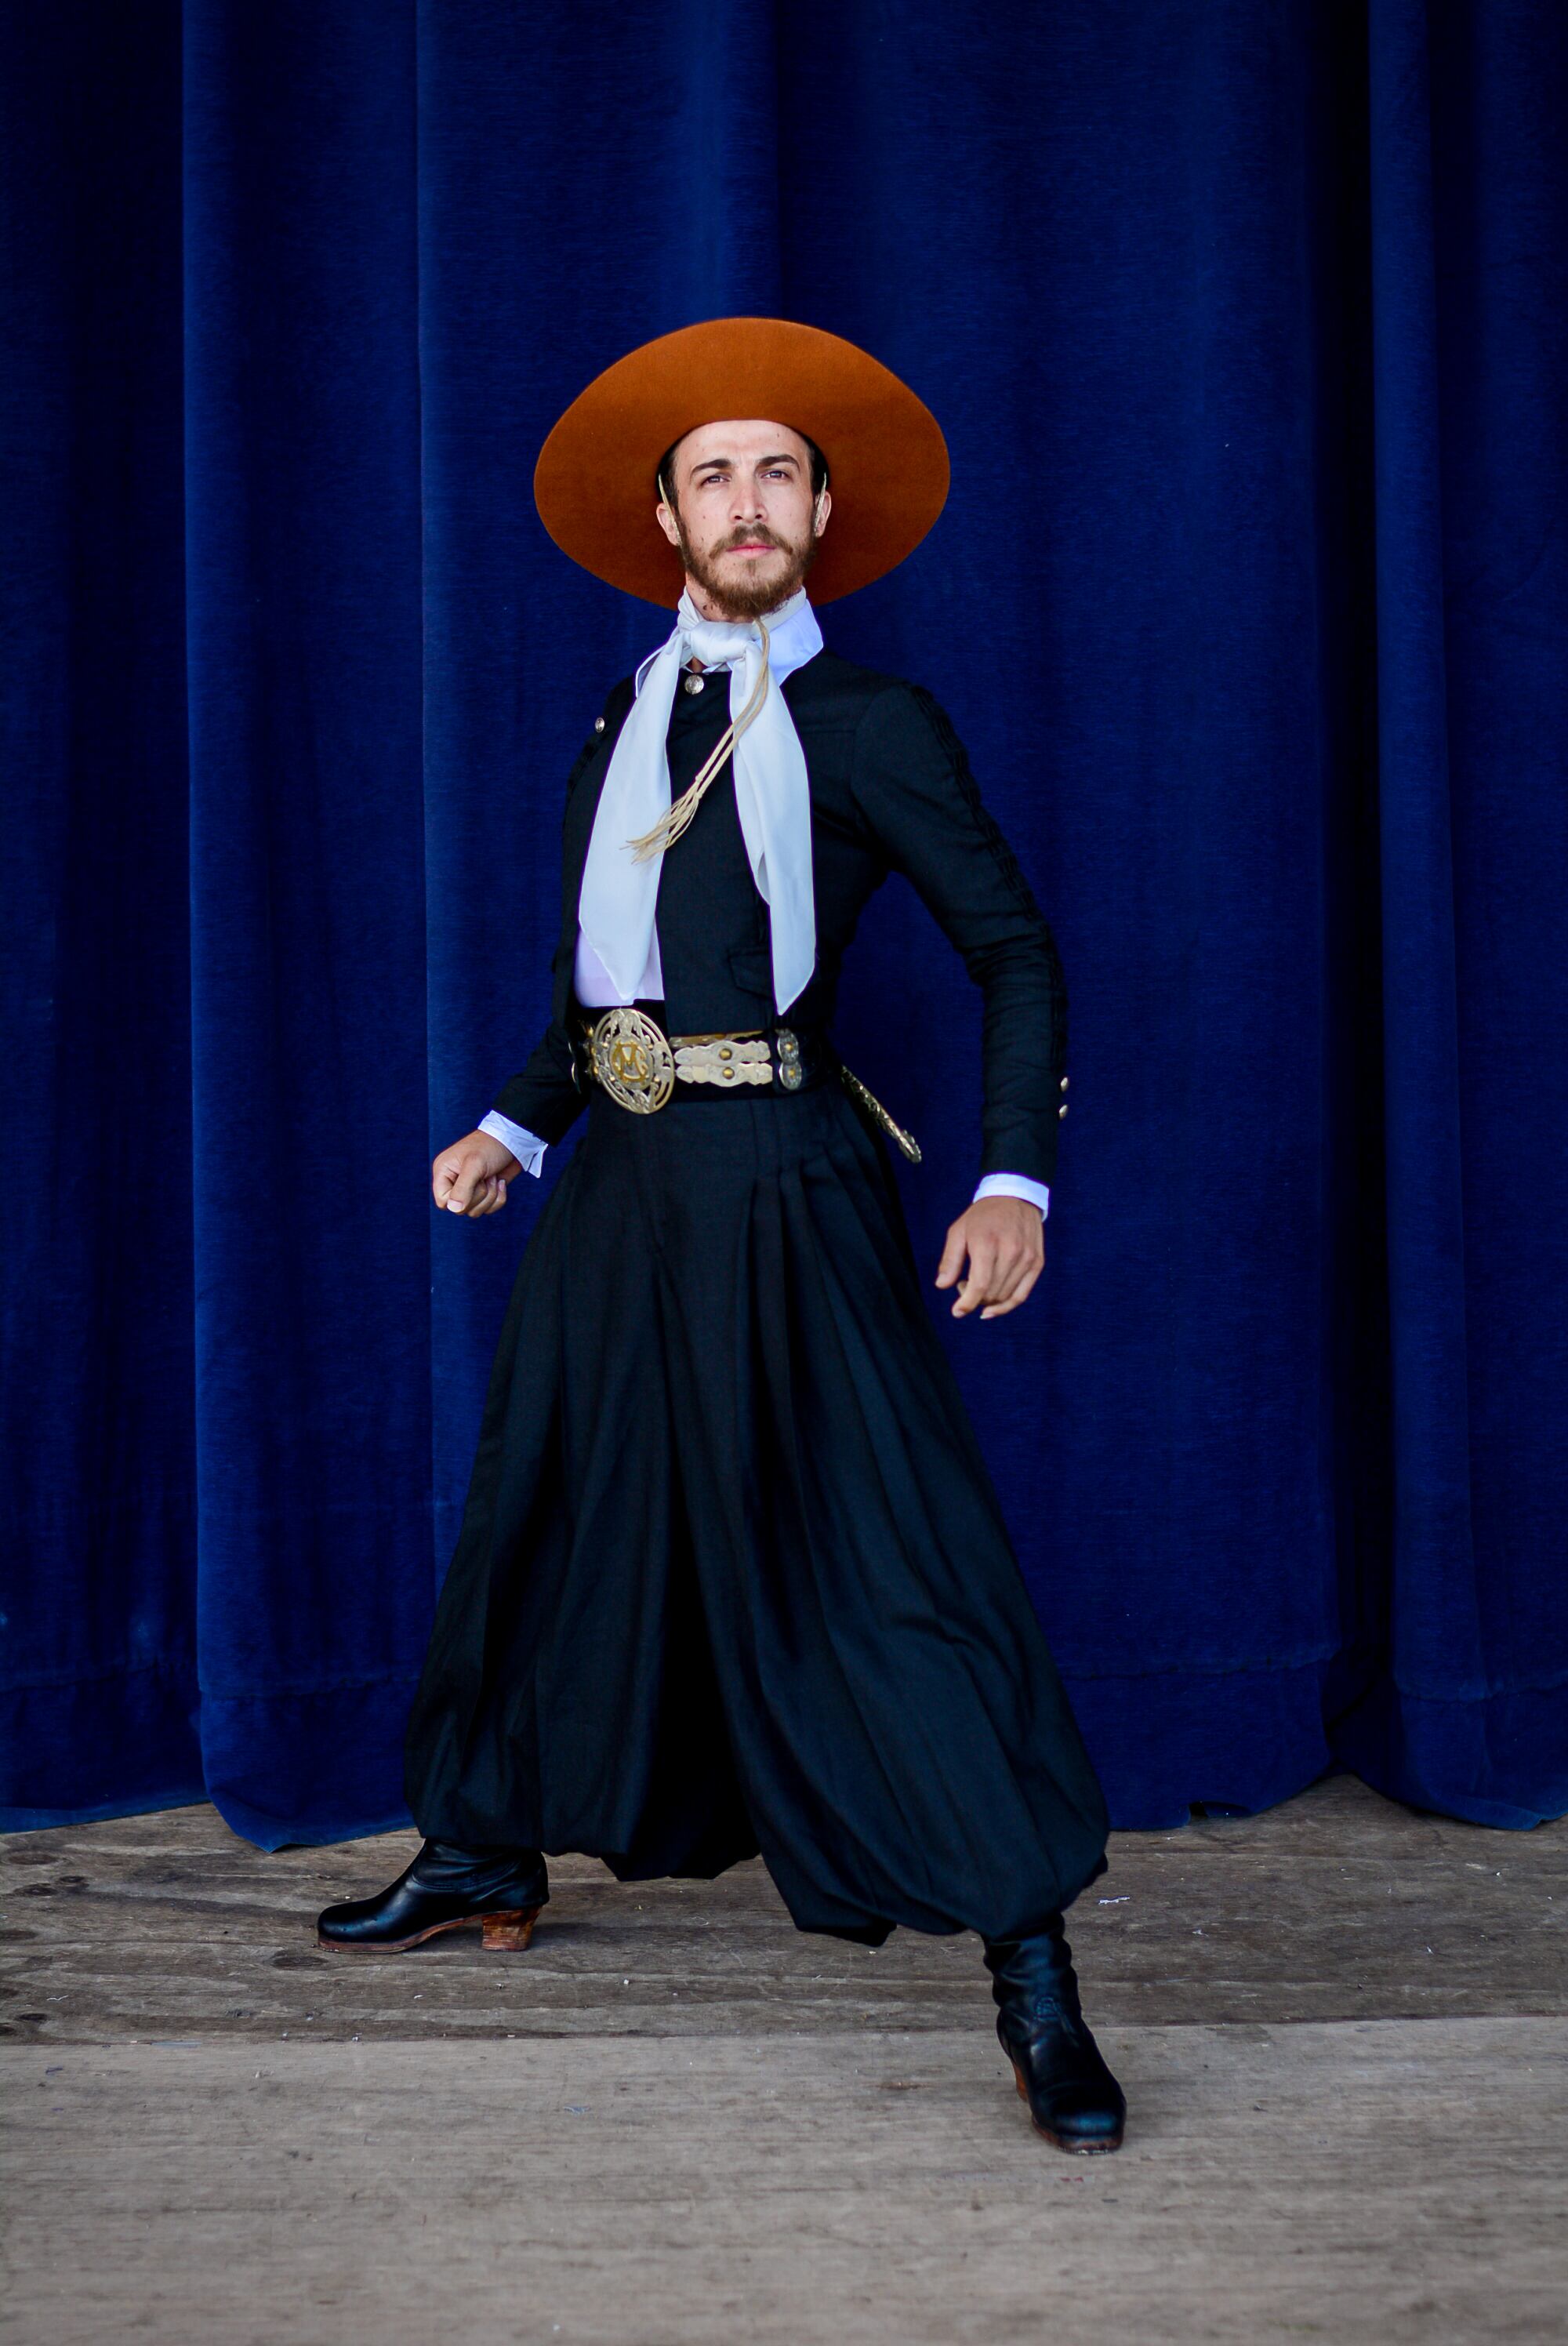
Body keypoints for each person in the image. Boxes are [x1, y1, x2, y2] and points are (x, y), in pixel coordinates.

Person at [318, 318, 1126, 2155]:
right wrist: (520, 1118)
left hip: (785, 1185)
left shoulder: (867, 720)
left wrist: (1015, 1179)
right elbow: (604, 975)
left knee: (888, 1561)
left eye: (778, 473)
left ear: (822, 513)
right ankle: (477, 1851)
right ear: (665, 517)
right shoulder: (627, 708)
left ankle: (1034, 1980)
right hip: (621, 1190)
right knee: (548, 1512)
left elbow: (1012, 952)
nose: (745, 502)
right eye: (712, 475)